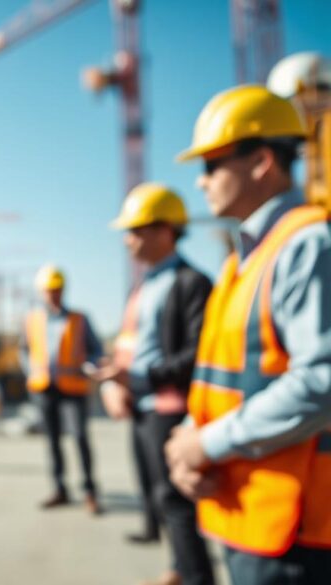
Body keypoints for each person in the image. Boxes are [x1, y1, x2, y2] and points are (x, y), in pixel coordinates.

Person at [164, 85, 331, 585]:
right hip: (251, 516)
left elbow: (323, 381)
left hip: (297, 533)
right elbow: (224, 375)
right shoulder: (246, 259)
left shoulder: (307, 246)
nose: (202, 183)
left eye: (211, 166)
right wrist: (189, 442)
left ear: (261, 161)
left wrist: (208, 444)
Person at [95, 183, 215, 585]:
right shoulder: (143, 286)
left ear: (165, 229)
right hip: (142, 406)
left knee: (177, 503)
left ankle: (196, 575)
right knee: (157, 496)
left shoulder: (191, 283)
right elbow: (132, 346)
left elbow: (196, 356)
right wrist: (116, 383)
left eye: (136, 229)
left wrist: (139, 378)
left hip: (171, 409)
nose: (128, 240)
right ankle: (178, 568)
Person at [21, 265, 103, 515]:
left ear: (63, 290)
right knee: (53, 441)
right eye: (48, 291)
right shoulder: (33, 319)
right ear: (41, 292)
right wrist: (30, 372)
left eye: (56, 290)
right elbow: (23, 349)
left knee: (79, 438)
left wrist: (90, 365)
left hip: (74, 387)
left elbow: (96, 349)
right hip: (44, 388)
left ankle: (89, 491)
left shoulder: (79, 319)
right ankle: (60, 489)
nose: (53, 295)